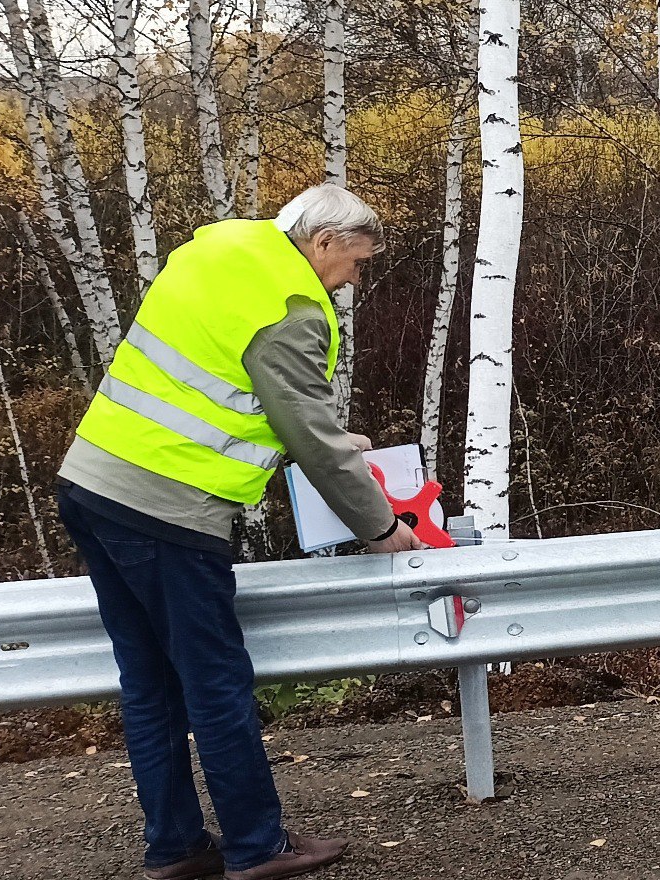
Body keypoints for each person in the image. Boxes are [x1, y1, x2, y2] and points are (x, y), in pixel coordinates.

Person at [56, 184, 424, 880]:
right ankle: (258, 848)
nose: (354, 280)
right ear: (321, 243)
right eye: (355, 262)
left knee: (149, 683)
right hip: (166, 508)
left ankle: (175, 848)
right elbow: (306, 436)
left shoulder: (223, 250)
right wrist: (381, 528)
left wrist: (322, 434)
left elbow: (219, 381)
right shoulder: (289, 306)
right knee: (215, 682)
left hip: (93, 481)